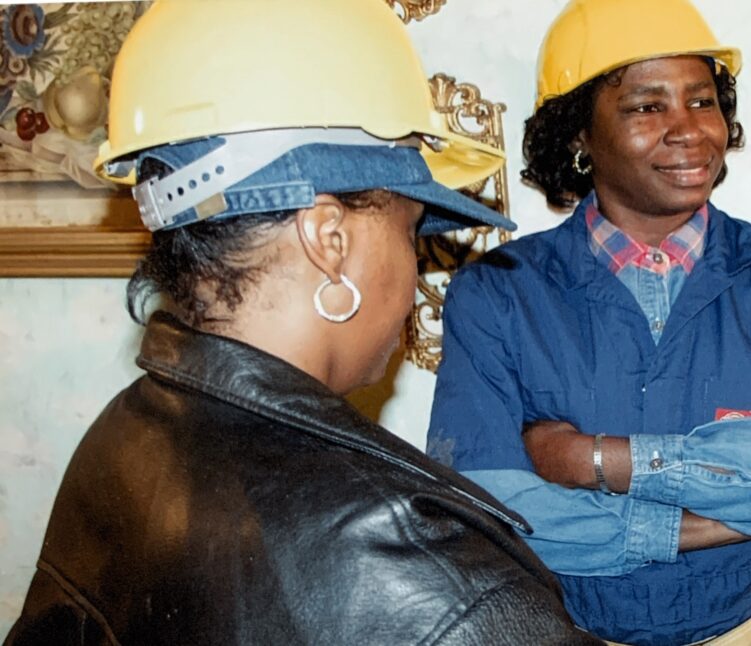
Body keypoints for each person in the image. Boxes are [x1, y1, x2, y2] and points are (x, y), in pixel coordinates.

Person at [4, 1, 602, 644]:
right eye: (407, 231)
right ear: (329, 240)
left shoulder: (122, 438)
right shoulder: (447, 593)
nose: (415, 269)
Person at [427, 0, 751, 644]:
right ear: (578, 136)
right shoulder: (500, 294)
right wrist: (734, 513)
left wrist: (598, 461)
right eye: (648, 107)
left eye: (702, 102)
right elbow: (490, 512)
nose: (689, 129)